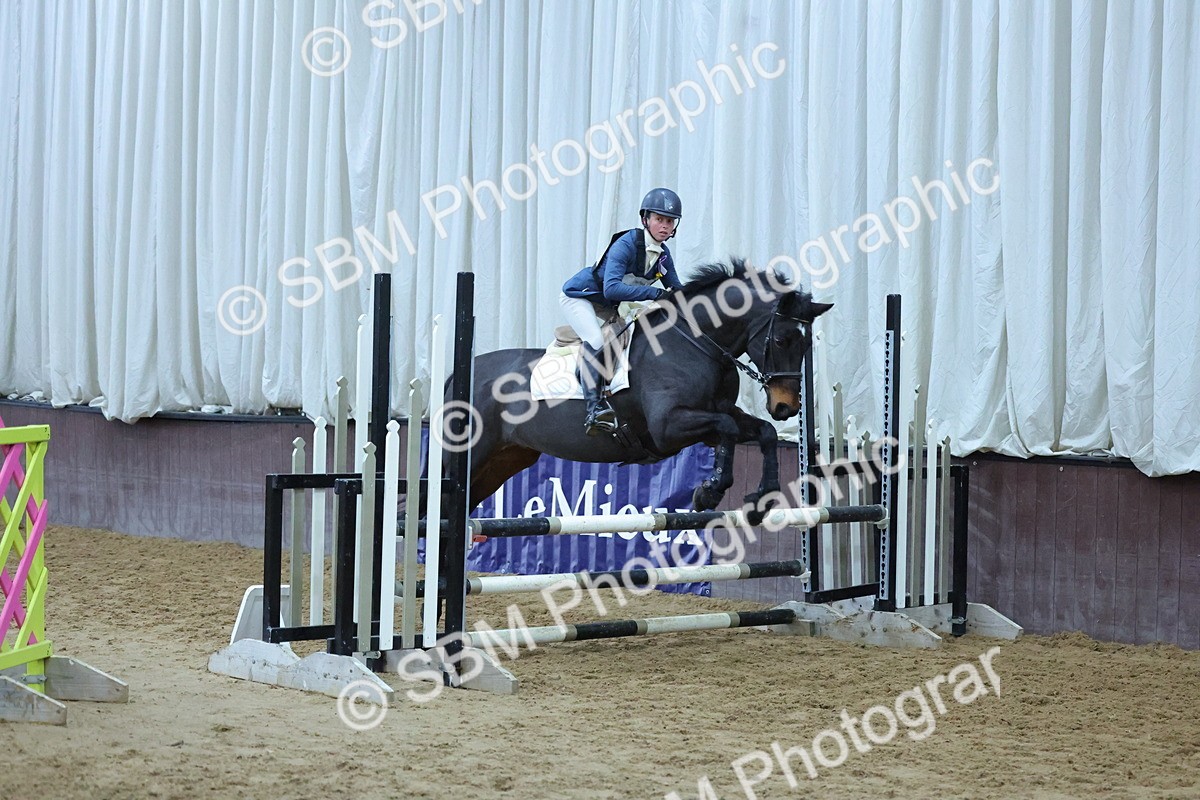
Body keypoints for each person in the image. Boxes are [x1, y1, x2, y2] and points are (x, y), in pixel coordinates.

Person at [560, 187, 685, 436]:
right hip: (581, 297)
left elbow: (677, 291)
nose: (664, 226)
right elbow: (612, 289)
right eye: (659, 219)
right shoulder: (626, 244)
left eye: (669, 221)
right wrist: (654, 294)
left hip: (611, 306)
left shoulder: (663, 256)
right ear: (645, 220)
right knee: (596, 340)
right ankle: (594, 409)